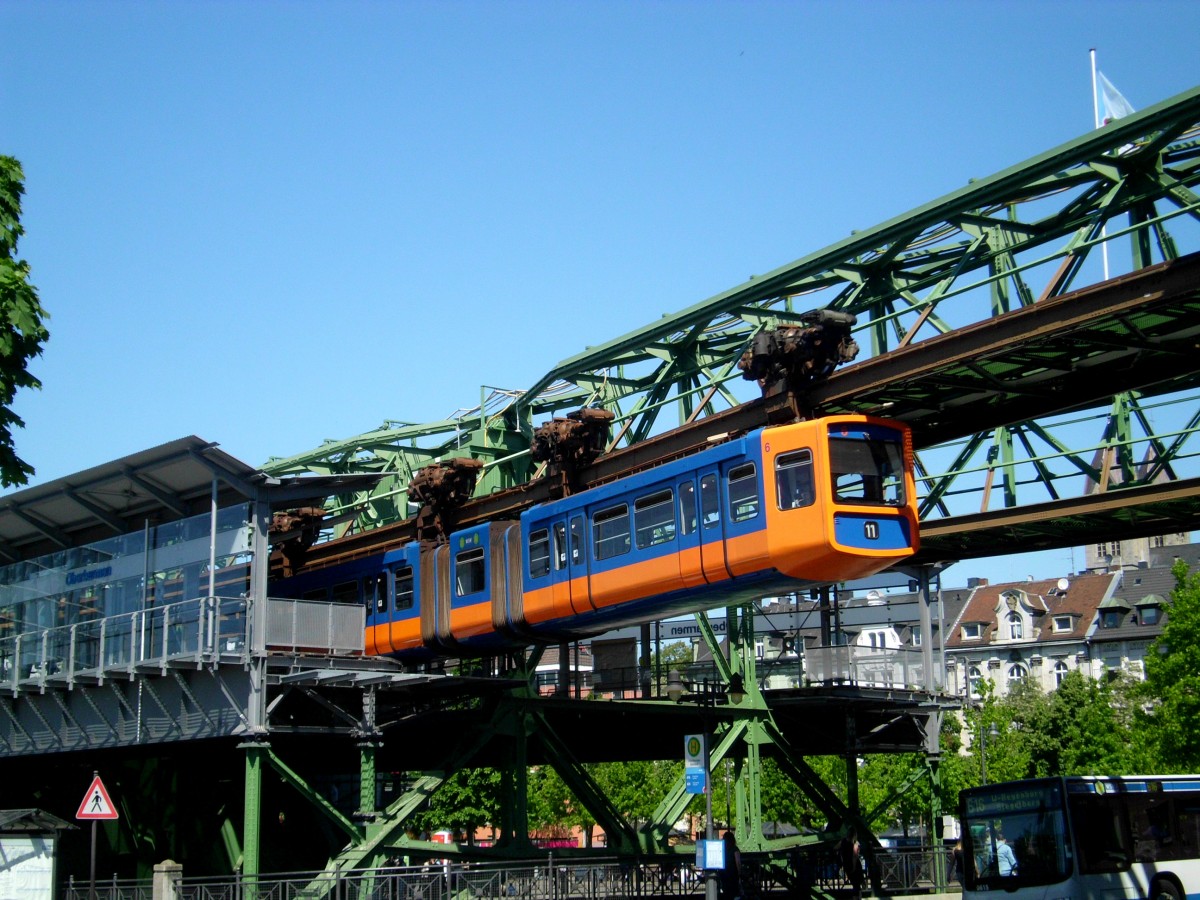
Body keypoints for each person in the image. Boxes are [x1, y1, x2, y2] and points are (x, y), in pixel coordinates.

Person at [839, 829, 864, 900]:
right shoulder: (855, 843)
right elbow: (854, 856)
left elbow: (835, 847)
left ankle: (855, 898)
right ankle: (857, 898)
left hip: (847, 865)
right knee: (857, 885)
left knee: (854, 883)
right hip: (854, 866)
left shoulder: (843, 841)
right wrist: (854, 866)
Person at [719, 830, 742, 900]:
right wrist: (740, 874)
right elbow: (738, 862)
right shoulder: (735, 849)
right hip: (733, 874)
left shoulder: (722, 849)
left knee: (726, 893)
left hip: (723, 874)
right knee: (735, 894)